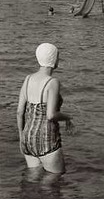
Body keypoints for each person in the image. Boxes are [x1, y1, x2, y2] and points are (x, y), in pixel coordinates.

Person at [16, 43, 73, 174]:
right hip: (46, 138)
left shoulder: (28, 79)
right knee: (54, 180)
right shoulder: (52, 82)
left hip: (27, 137)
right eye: (58, 56)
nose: (58, 59)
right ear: (53, 59)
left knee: (33, 178)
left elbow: (19, 112)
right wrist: (68, 117)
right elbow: (51, 115)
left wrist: (21, 138)